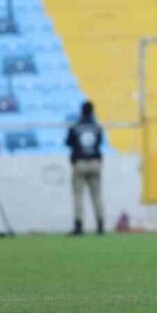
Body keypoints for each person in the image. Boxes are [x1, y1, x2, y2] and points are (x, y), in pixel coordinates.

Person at [66, 101, 105, 236]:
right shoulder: (97, 127)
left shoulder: (76, 126)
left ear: (82, 111)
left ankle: (79, 225)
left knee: (78, 195)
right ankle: (100, 225)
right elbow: (99, 142)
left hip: (80, 163)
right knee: (97, 195)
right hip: (95, 162)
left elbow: (69, 142)